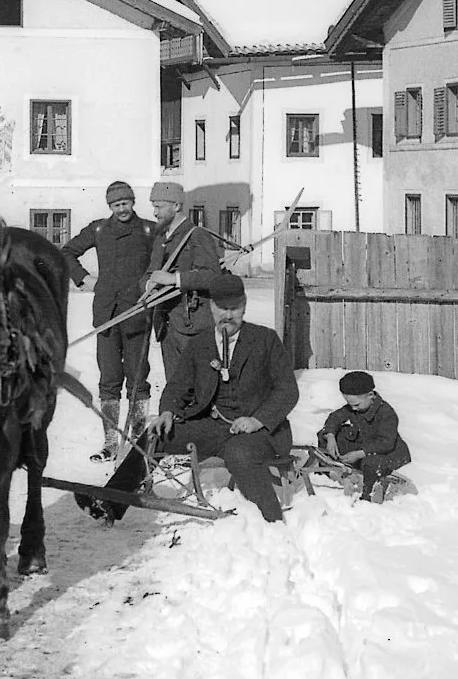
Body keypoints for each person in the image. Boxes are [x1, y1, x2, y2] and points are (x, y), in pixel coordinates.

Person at [82, 272, 297, 523]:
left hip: (259, 432)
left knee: (240, 454)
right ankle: (110, 502)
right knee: (155, 435)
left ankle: (272, 521)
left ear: (244, 306)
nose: (228, 315)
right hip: (214, 426)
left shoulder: (265, 339)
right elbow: (178, 386)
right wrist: (167, 411)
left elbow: (287, 390)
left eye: (234, 309)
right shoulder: (201, 343)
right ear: (212, 307)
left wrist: (257, 420)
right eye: (221, 308)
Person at [61, 180, 157, 460]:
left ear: (132, 202)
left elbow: (165, 262)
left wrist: (152, 283)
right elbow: (67, 252)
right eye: (116, 205)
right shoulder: (99, 229)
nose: (122, 209)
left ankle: (138, 445)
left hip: (137, 314)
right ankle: (111, 443)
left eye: (125, 203)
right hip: (106, 317)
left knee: (138, 379)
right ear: (110, 207)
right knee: (109, 379)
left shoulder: (150, 231)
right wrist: (83, 278)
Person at [143, 180, 225, 388]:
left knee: (198, 384)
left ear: (177, 206)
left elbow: (213, 276)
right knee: (175, 385)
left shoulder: (197, 234)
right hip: (166, 323)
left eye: (159, 206)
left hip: (194, 324)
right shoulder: (161, 236)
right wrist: (148, 285)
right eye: (154, 206)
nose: (155, 213)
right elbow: (152, 272)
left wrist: (175, 279)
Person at [318, 371, 413, 504]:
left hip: (388, 453)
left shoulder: (387, 414)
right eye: (349, 404)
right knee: (325, 434)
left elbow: (386, 443)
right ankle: (326, 472)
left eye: (356, 405)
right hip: (364, 447)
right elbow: (335, 418)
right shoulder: (355, 407)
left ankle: (369, 495)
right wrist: (330, 435)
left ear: (370, 395)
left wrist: (359, 453)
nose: (353, 408)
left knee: (371, 463)